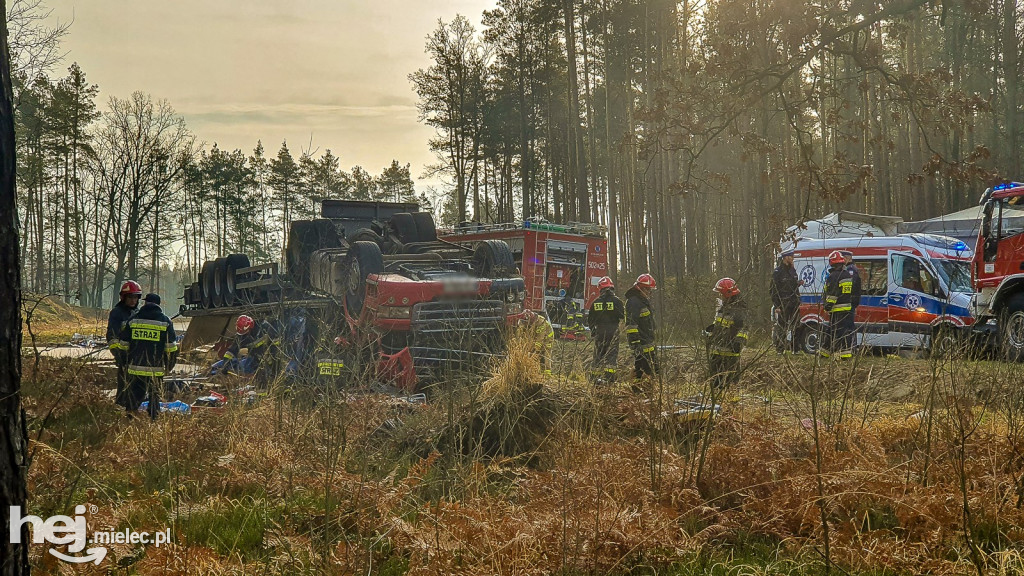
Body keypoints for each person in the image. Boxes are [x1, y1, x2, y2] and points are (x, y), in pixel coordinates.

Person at [119, 293, 177, 419]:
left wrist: (124, 362)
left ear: (145, 303)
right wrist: (169, 366)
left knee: (134, 396)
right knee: (154, 396)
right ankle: (153, 420)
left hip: (135, 368)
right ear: (159, 304)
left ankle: (129, 420)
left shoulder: (133, 320)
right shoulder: (165, 321)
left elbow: (123, 345)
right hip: (155, 370)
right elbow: (171, 348)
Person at [703, 278, 748, 391]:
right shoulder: (723, 307)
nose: (720, 296)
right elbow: (719, 323)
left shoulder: (739, 310)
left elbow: (744, 328)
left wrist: (739, 342)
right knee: (715, 386)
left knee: (730, 387)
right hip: (717, 353)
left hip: (729, 356)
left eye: (721, 293)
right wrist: (712, 330)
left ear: (728, 294)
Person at [107, 280, 142, 407]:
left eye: (136, 297)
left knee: (138, 390)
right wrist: (118, 354)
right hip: (124, 358)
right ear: (123, 297)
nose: (133, 300)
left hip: (137, 357)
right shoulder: (117, 313)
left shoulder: (138, 313)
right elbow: (112, 336)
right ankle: (120, 412)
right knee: (123, 389)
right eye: (130, 297)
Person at [822, 251, 859, 359]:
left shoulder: (833, 276)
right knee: (845, 331)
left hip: (837, 309)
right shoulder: (847, 274)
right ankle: (845, 353)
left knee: (834, 331)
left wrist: (827, 305)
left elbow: (832, 293)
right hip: (847, 308)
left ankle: (829, 353)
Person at [587, 276, 625, 383]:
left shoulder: (596, 302)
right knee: (611, 356)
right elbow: (622, 316)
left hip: (600, 332)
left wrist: (593, 331)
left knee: (598, 356)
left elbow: (590, 320)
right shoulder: (617, 301)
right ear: (612, 288)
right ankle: (609, 380)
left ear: (600, 289)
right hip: (613, 331)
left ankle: (594, 380)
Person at [625, 273, 658, 381]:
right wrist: (635, 343)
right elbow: (631, 324)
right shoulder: (634, 302)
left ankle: (643, 391)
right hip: (641, 344)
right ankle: (639, 391)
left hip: (648, 342)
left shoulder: (643, 301)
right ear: (640, 288)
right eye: (648, 290)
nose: (650, 292)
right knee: (643, 371)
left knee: (651, 370)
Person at [770, 250, 803, 353]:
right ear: (785, 258)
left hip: (794, 302)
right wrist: (777, 306)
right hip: (783, 303)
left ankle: (795, 349)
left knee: (796, 326)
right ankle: (780, 349)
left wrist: (798, 283)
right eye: (790, 257)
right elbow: (773, 290)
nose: (792, 259)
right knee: (782, 327)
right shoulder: (777, 272)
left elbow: (792, 285)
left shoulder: (793, 271)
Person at [522, 309, 554, 374]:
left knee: (546, 353)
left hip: (548, 338)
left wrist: (536, 349)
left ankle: (547, 372)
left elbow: (540, 338)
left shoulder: (541, 322)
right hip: (538, 337)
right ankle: (537, 370)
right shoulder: (530, 321)